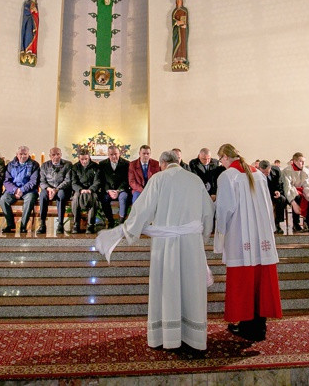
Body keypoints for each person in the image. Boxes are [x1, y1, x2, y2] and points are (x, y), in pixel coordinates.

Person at [95, 150, 214, 351]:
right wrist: (201, 238)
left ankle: (168, 335)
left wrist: (128, 229)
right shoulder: (195, 180)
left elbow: (143, 208)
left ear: (162, 164)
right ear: (179, 161)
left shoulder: (158, 179)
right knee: (191, 288)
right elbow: (208, 212)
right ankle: (193, 338)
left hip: (166, 245)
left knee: (167, 287)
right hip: (191, 244)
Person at [215, 144, 282, 342]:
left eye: (221, 160)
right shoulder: (258, 175)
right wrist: (269, 230)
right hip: (261, 235)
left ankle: (246, 325)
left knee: (244, 281)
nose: (221, 164)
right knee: (260, 281)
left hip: (240, 235)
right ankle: (259, 326)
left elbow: (225, 209)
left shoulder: (228, 176)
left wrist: (220, 233)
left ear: (225, 158)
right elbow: (268, 206)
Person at [0, 146, 40, 234]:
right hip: (13, 190)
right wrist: (15, 190)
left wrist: (22, 190)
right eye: (21, 154)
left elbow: (33, 181)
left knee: (29, 200)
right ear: (17, 154)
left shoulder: (34, 165)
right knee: (3, 200)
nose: (23, 156)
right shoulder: (10, 165)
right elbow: (6, 180)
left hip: (28, 191)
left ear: (28, 154)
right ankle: (10, 224)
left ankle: (23, 225)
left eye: (25, 154)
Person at [283, 152, 309, 232]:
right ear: (295, 161)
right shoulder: (287, 171)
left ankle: (308, 221)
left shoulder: (305, 170)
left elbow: (306, 185)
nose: (303, 163)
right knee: (297, 197)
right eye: (301, 161)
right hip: (291, 191)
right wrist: (293, 203)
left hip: (302, 190)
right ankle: (296, 224)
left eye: (304, 161)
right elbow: (287, 187)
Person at [38, 147, 72, 234]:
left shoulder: (67, 164)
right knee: (42, 195)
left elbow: (67, 180)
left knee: (61, 195)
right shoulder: (45, 165)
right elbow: (41, 181)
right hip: (48, 188)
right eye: (53, 155)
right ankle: (42, 224)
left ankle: (60, 224)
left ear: (61, 155)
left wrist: (56, 190)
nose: (56, 157)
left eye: (58, 154)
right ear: (50, 156)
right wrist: (49, 189)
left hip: (61, 189)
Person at [70, 148, 102, 234]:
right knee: (75, 198)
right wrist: (81, 190)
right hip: (79, 190)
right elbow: (73, 182)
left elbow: (97, 181)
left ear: (89, 157)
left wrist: (90, 190)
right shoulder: (75, 167)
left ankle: (90, 225)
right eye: (82, 159)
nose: (84, 161)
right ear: (79, 158)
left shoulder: (96, 167)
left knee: (94, 199)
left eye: (86, 159)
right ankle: (76, 224)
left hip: (91, 190)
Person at [258, 159, 293, 234]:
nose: (265, 174)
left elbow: (279, 183)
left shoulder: (276, 170)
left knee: (282, 199)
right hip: (262, 194)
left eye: (267, 172)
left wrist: (278, 191)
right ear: (259, 169)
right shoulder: (256, 173)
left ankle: (277, 224)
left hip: (274, 192)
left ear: (270, 168)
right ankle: (264, 225)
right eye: (263, 172)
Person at [98, 145, 130, 226]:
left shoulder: (127, 164)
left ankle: (121, 221)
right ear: (108, 155)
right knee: (104, 199)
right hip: (108, 190)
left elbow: (127, 179)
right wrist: (109, 190)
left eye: (115, 154)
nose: (114, 156)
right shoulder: (102, 164)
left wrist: (118, 190)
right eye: (111, 154)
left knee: (123, 198)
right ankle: (110, 221)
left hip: (122, 190)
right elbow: (101, 180)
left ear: (119, 153)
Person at [20, 0, 39, 66]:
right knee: (28, 34)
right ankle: (26, 50)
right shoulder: (27, 3)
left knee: (32, 35)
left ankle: (31, 50)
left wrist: (36, 12)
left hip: (34, 23)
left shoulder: (36, 5)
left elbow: (37, 16)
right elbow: (26, 12)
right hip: (28, 22)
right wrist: (31, 10)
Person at [171, 0, 189, 71]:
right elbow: (173, 20)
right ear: (176, 1)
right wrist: (177, 22)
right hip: (176, 30)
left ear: (182, 1)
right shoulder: (174, 11)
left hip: (183, 30)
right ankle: (176, 59)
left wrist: (184, 25)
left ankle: (182, 59)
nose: (178, 0)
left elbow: (186, 20)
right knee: (176, 43)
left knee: (183, 43)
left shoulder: (185, 10)